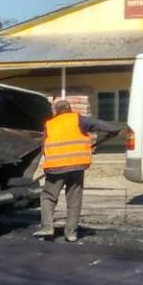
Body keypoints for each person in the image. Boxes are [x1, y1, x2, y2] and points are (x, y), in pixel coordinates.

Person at [36, 97, 116, 243]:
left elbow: (44, 146)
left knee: (48, 198)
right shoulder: (79, 120)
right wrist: (113, 131)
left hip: (55, 168)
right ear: (70, 109)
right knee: (74, 200)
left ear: (55, 111)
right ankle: (71, 233)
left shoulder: (49, 124)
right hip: (76, 166)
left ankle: (48, 227)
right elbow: (106, 126)